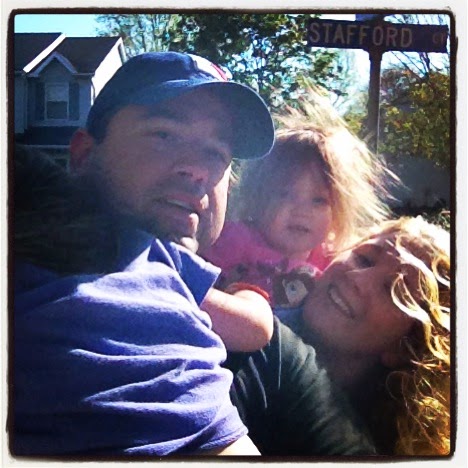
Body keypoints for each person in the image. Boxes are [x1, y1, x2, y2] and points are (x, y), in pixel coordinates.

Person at [11, 51, 276, 456]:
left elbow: (255, 327)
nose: (198, 169)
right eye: (164, 135)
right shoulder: (27, 247)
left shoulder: (171, 266)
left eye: (217, 153)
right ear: (83, 154)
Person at [272, 216, 451, 455]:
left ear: (407, 347)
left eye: (394, 290)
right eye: (364, 258)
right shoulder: (252, 309)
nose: (358, 279)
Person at [202, 91, 393, 303]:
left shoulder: (332, 261)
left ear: (340, 210)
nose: (302, 211)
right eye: (286, 195)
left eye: (319, 200)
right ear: (258, 198)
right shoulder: (236, 240)